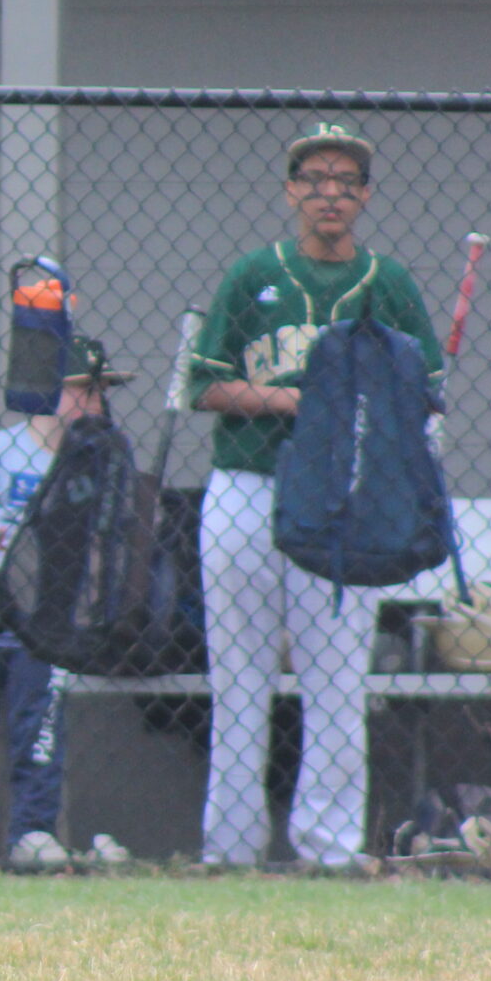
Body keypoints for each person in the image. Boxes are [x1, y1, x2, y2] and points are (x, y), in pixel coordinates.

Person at [188, 122, 440, 867]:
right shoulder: (250, 276)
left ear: (363, 195)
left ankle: (327, 848)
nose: (329, 192)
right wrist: (289, 401)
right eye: (315, 179)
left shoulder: (386, 282)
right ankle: (229, 850)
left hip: (345, 498)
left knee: (336, 681)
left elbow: (424, 386)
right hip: (248, 485)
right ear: (292, 190)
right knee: (239, 680)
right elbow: (203, 384)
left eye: (345, 180)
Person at [0, 338, 132, 871]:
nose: (97, 405)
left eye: (103, 394)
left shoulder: (94, 460)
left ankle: (30, 831)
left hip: (47, 628)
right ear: (52, 392)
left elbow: (104, 541)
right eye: (86, 392)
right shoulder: (1, 450)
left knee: (38, 728)